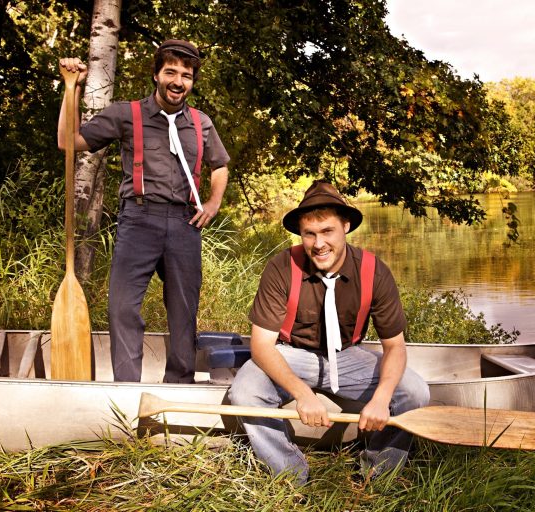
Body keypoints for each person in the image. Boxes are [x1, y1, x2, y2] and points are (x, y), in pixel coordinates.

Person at [229, 180, 430, 485]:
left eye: (327, 231)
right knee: (245, 392)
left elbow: (395, 347)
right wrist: (303, 394)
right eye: (309, 234)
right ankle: (291, 476)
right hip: (291, 353)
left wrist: (381, 399)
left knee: (414, 391)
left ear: (345, 226)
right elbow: (261, 346)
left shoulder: (373, 271)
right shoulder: (282, 267)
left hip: (347, 356)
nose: (318, 243)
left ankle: (376, 474)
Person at [57, 39, 230, 383]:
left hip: (185, 223)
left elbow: (220, 165)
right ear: (156, 74)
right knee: (122, 307)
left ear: (192, 81)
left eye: (186, 75)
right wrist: (71, 89)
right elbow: (69, 141)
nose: (178, 81)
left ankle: (179, 384)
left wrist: (213, 203)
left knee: (183, 310)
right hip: (138, 220)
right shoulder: (126, 114)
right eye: (170, 72)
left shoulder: (201, 122)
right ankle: (127, 387)